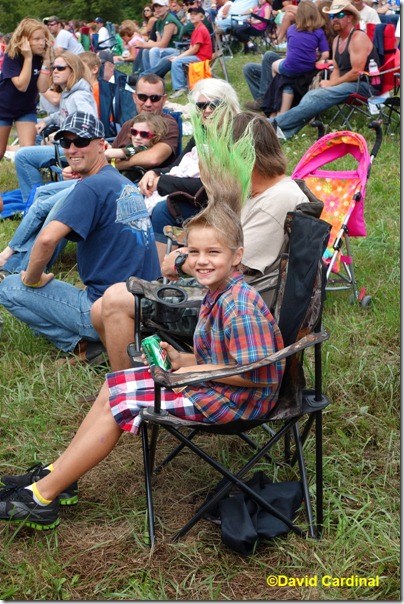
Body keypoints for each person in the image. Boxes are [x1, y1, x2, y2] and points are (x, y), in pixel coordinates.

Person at [0, 117, 285, 530]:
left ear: (237, 257)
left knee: (125, 397)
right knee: (115, 384)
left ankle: (41, 497)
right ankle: (58, 477)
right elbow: (223, 357)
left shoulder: (239, 304)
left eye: (214, 254)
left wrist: (188, 373)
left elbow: (255, 373)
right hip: (218, 384)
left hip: (234, 402)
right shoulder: (218, 294)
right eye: (193, 251)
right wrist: (180, 357)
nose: (200, 262)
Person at [92, 113, 309, 372]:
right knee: (99, 307)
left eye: (221, 154)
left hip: (232, 308)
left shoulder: (276, 201)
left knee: (116, 299)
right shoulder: (258, 192)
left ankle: (131, 395)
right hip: (221, 292)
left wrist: (183, 261)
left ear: (245, 156)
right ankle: (139, 379)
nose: (217, 162)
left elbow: (234, 269)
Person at [0, 112, 160, 360]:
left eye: (81, 142)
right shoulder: (121, 182)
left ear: (102, 145)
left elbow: (46, 240)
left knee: (10, 287)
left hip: (108, 310)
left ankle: (83, 346)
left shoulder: (90, 187)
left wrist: (32, 279)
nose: (72, 149)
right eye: (66, 143)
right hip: (148, 305)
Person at [0, 75, 179, 279]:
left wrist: (111, 161)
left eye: (154, 98)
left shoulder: (167, 123)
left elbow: (153, 157)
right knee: (41, 193)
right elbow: (108, 154)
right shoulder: (132, 123)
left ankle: (17, 267)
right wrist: (81, 167)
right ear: (134, 97)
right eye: (142, 96)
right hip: (98, 177)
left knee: (55, 209)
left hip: (115, 188)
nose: (148, 103)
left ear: (164, 99)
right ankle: (18, 252)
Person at [139, 78, 241, 260]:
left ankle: (159, 272)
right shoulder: (202, 133)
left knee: (163, 209)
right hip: (195, 197)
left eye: (214, 105)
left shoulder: (235, 136)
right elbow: (176, 165)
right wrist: (154, 173)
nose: (207, 111)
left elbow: (214, 186)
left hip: (216, 204)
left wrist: (163, 182)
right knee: (134, 192)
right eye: (202, 106)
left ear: (228, 106)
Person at [267, 0, 382, 140]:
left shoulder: (358, 38)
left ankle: (271, 125)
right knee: (313, 96)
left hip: (364, 85)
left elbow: (356, 72)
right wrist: (329, 83)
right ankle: (283, 134)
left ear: (350, 17)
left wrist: (331, 84)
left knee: (316, 97)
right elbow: (337, 70)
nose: (334, 20)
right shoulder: (337, 40)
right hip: (346, 84)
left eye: (339, 15)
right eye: (332, 17)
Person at [13, 52, 98, 202]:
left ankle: (34, 204)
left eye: (60, 68)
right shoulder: (68, 92)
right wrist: (46, 121)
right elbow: (62, 114)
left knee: (23, 156)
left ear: (73, 70)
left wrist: (61, 133)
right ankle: (41, 196)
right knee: (37, 137)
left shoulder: (79, 96)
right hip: (66, 146)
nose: (55, 71)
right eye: (54, 68)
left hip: (75, 148)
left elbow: (89, 124)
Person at [0, 18, 53, 161]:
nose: (42, 42)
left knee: (28, 151)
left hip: (26, 108)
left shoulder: (41, 58)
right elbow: (21, 86)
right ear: (24, 40)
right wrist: (28, 58)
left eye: (44, 38)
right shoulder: (12, 56)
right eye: (37, 39)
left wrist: (46, 63)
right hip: (3, 107)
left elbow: (42, 88)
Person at [269, 1, 330, 115]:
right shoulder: (319, 32)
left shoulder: (291, 29)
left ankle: (277, 93)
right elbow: (326, 53)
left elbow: (292, 50)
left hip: (291, 66)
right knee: (287, 79)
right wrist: (319, 58)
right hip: (308, 68)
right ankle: (285, 102)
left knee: (274, 67)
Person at [168, 6, 213, 99]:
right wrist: (179, 56)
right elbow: (192, 48)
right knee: (176, 58)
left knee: (177, 62)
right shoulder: (196, 29)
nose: (192, 16)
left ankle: (180, 88)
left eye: (195, 14)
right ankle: (183, 85)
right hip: (198, 56)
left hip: (202, 58)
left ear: (202, 17)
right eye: (191, 14)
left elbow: (194, 49)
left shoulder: (200, 29)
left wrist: (178, 58)